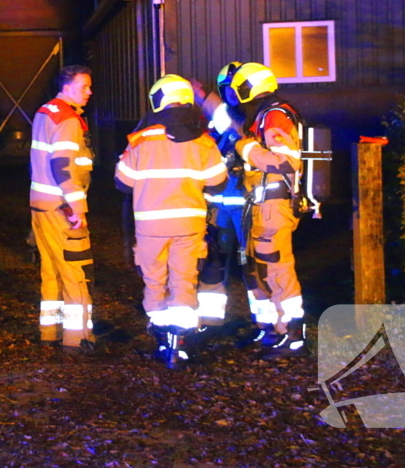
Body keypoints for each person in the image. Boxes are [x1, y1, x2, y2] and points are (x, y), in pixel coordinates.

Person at [115, 74, 227, 368]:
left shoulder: (140, 140)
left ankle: (162, 340)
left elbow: (122, 183)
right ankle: (180, 346)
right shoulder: (202, 141)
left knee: (154, 283)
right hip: (189, 226)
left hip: (150, 227)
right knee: (184, 282)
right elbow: (217, 182)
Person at [228, 62, 308, 358]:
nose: (236, 94)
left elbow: (284, 162)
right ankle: (272, 330)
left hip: (273, 207)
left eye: (239, 87)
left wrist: (243, 147)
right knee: (260, 270)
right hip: (261, 207)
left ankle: (293, 336)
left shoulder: (275, 115)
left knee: (277, 270)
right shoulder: (263, 114)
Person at [29, 65, 96, 354]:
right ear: (67, 88)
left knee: (51, 271)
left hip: (41, 206)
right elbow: (63, 165)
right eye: (84, 87)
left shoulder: (45, 112)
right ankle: (77, 338)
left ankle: (49, 332)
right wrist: (77, 206)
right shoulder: (68, 120)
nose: (89, 92)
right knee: (74, 272)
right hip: (62, 207)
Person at [195, 62, 250, 334]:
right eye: (226, 88)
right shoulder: (220, 122)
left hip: (247, 205)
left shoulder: (251, 117)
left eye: (234, 87)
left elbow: (231, 125)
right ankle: (211, 320)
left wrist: (204, 98)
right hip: (220, 206)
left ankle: (268, 325)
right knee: (213, 260)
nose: (230, 92)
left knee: (253, 264)